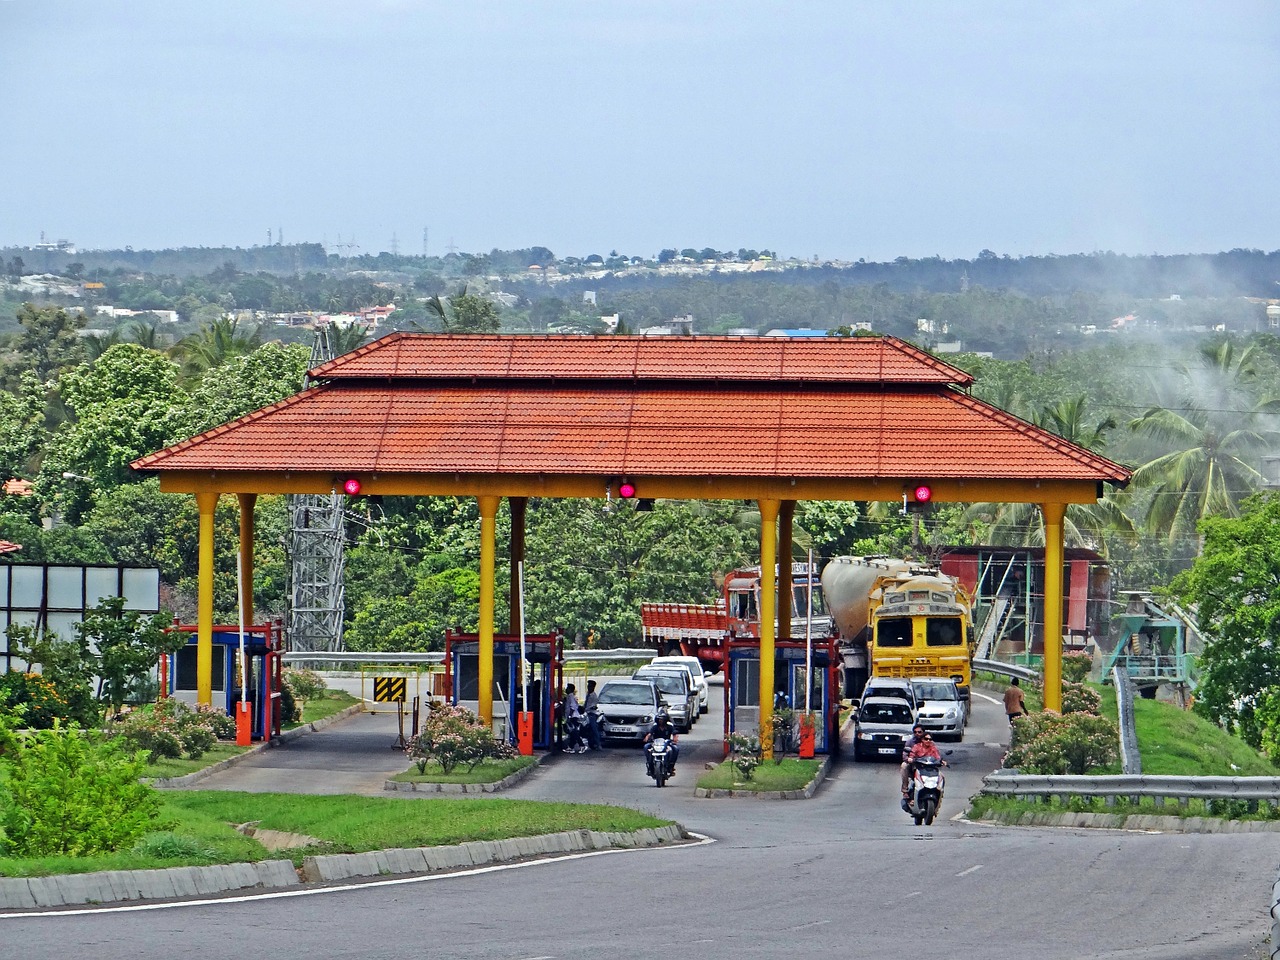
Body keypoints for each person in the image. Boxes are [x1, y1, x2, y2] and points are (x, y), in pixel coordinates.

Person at [901, 732, 946, 808]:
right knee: (907, 770)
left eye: (930, 739)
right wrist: (910, 759)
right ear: (922, 739)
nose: (928, 741)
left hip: (931, 769)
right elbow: (912, 755)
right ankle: (910, 796)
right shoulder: (916, 747)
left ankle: (939, 795)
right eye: (926, 739)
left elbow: (937, 757)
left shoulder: (933, 748)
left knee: (942, 777)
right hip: (919, 768)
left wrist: (942, 761)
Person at [644, 710, 680, 776]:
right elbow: (650, 733)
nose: (660, 721)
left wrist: (675, 738)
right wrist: (647, 737)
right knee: (646, 747)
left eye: (662, 719)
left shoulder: (669, 726)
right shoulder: (655, 726)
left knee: (676, 749)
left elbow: (674, 732)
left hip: (667, 743)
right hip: (655, 744)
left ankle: (671, 766)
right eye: (659, 719)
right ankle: (650, 763)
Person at [900, 723, 927, 796]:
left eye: (919, 732)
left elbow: (935, 752)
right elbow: (905, 755)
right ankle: (905, 790)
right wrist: (908, 759)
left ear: (923, 732)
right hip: (914, 764)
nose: (917, 734)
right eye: (915, 732)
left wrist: (941, 760)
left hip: (927, 764)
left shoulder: (928, 741)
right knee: (904, 766)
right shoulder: (910, 742)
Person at [563, 683, 586, 753]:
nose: (566, 689)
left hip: (573, 717)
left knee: (574, 732)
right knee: (572, 733)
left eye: (567, 688)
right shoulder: (570, 696)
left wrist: (569, 716)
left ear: (570, 689)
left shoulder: (570, 697)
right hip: (573, 716)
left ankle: (582, 745)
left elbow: (573, 707)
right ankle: (571, 747)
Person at [583, 679, 602, 751]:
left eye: (590, 686)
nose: (588, 687)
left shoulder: (594, 696)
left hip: (591, 714)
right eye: (588, 686)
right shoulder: (588, 694)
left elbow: (594, 706)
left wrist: (591, 707)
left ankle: (598, 744)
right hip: (586, 713)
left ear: (593, 687)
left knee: (594, 729)